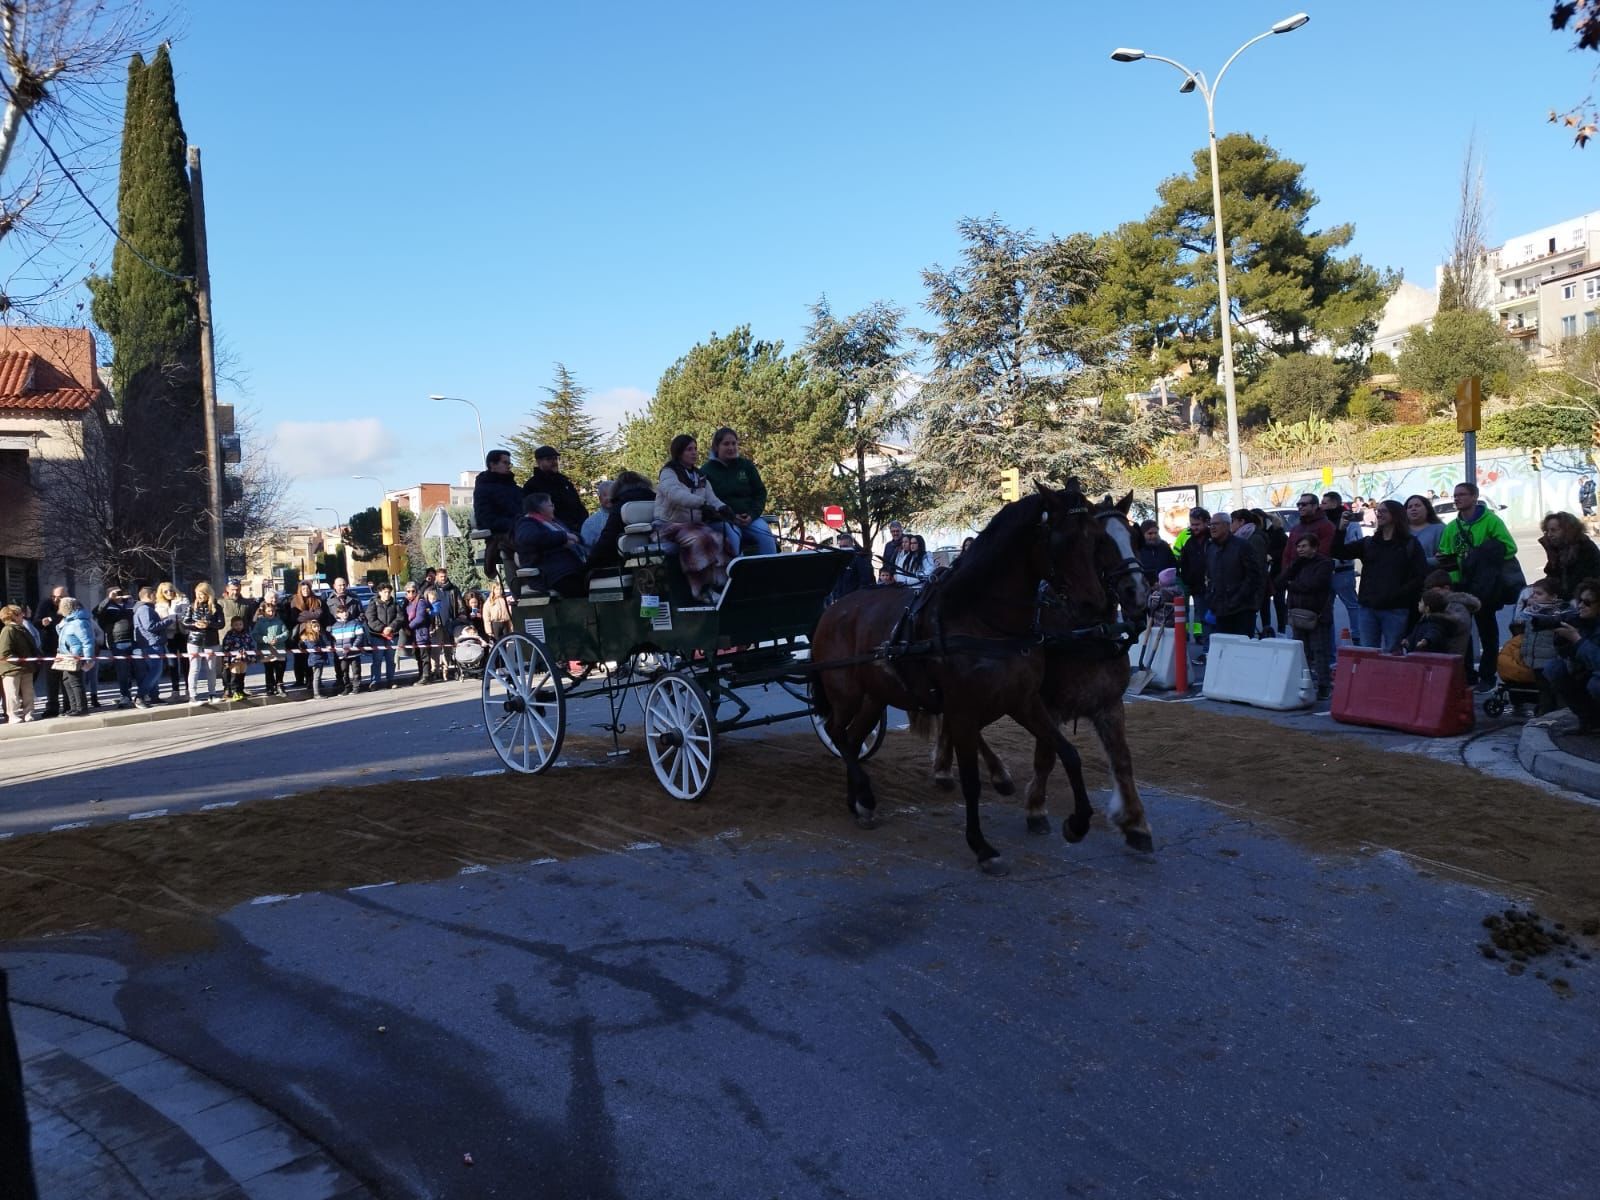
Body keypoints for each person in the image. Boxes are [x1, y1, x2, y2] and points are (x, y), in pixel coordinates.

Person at [1437, 481, 1519, 690]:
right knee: (1459, 630)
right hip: (1460, 586)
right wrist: (1454, 581)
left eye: (1462, 494)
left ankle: (1487, 676)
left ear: (1474, 497)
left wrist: (1481, 558)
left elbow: (1509, 548)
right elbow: (1446, 556)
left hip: (1485, 586)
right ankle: (1467, 675)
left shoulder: (1491, 521)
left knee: (1488, 632)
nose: (1457, 498)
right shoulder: (1451, 528)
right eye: (1455, 495)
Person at [1330, 499, 1427, 652]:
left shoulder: (1409, 544)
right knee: (1368, 653)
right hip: (1368, 607)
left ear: (1395, 515)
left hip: (1396, 609)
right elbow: (1337, 552)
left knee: (1393, 653)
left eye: (1384, 511)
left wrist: (1398, 595)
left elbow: (1420, 575)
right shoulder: (1369, 543)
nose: (1379, 514)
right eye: (1378, 511)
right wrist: (1341, 529)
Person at [654, 434, 735, 604]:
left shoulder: (699, 475)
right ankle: (701, 591)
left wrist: (723, 508)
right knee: (699, 540)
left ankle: (721, 585)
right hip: (668, 525)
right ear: (679, 452)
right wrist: (701, 504)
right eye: (689, 449)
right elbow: (675, 494)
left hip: (693, 525)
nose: (694, 453)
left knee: (720, 538)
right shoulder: (668, 473)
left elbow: (712, 498)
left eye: (695, 449)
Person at [702, 427, 778, 556]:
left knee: (765, 533)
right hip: (722, 521)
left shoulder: (746, 466)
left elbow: (760, 493)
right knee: (733, 535)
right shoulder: (706, 471)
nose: (731, 447)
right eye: (726, 444)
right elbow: (706, 503)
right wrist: (730, 517)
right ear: (716, 447)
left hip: (749, 519)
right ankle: (738, 573)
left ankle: (770, 572)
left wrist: (751, 515)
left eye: (734, 443)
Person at [1282, 533, 1334, 699]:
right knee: (1302, 652)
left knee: (1320, 651)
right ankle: (1305, 683)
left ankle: (1324, 686)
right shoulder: (1298, 564)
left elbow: (1314, 585)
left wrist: (1293, 585)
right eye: (1298, 547)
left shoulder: (1325, 563)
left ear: (1314, 547)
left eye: (1304, 546)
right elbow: (1281, 581)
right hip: (1297, 612)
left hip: (1316, 614)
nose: (1300, 550)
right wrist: (1294, 567)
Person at [1544, 580, 1600, 730]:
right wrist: (1562, 638)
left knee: (1596, 684)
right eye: (1579, 601)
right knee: (1554, 668)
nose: (1581, 605)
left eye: (1587, 602)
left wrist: (1577, 639)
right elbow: (1568, 656)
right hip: (1586, 671)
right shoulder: (1581, 620)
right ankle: (1588, 720)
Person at [515, 492, 587, 598]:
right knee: (578, 588)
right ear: (540, 508)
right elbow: (532, 538)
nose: (553, 507)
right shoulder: (526, 524)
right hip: (550, 573)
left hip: (569, 567)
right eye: (550, 505)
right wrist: (563, 537)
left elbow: (573, 534)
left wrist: (575, 538)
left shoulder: (554, 522)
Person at [1204, 511, 1265, 637]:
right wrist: (1211, 598)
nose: (1212, 527)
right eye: (1210, 525)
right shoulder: (1211, 548)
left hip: (1242, 609)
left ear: (1227, 526)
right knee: (1224, 646)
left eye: (1216, 524)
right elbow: (1210, 576)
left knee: (1242, 649)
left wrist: (1238, 598)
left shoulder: (1242, 546)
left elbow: (1254, 576)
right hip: (1220, 609)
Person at [585, 470, 656, 574]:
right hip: (657, 555)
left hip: (626, 563)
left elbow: (608, 538)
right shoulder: (655, 500)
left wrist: (588, 565)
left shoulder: (621, 505)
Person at [473, 448, 525, 584]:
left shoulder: (516, 489)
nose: (508, 465)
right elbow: (485, 519)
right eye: (505, 462)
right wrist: (515, 523)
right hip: (504, 534)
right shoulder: (483, 490)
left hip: (522, 527)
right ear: (493, 464)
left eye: (509, 463)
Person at [1321, 492, 1363, 645]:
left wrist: (1343, 558)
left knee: (1352, 604)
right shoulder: (1322, 521)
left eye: (1324, 503)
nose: (1321, 506)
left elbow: (1355, 543)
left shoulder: (1349, 521)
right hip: (1325, 570)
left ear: (1333, 503)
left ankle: (1358, 636)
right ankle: (1329, 642)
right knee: (1326, 608)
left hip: (1342, 569)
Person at [522, 445, 588, 530]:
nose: (554, 462)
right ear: (539, 462)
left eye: (555, 458)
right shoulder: (532, 485)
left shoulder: (565, 481)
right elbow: (533, 513)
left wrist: (584, 521)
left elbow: (578, 504)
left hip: (578, 527)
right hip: (555, 529)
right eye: (549, 459)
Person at [1421, 569, 1482, 661]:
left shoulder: (1456, 605)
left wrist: (1435, 617)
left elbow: (1459, 623)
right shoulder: (1442, 604)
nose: (1430, 594)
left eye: (1433, 590)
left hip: (1452, 654)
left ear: (1446, 588)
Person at [1538, 511, 1600, 601]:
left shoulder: (1584, 547)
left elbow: (1583, 580)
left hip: (1585, 600)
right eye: (1547, 531)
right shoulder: (1556, 548)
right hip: (1564, 598)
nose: (1549, 535)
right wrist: (1540, 588)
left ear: (1568, 530)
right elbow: (1552, 575)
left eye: (1553, 530)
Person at [93, 586, 137, 708]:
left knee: (137, 669)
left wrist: (132, 600)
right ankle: (125, 695)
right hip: (118, 641)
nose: (118, 595)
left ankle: (138, 694)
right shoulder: (107, 606)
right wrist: (108, 599)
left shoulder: (129, 604)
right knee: (122, 670)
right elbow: (96, 612)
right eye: (114, 593)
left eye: (120, 592)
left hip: (134, 640)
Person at [131, 587, 173, 708]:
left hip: (150, 643)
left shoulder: (142, 608)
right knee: (156, 671)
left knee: (153, 671)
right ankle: (140, 696)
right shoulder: (144, 609)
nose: (156, 598)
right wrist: (168, 621)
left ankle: (154, 696)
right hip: (152, 643)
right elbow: (150, 626)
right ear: (149, 595)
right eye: (154, 595)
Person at [182, 582, 223, 705]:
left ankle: (212, 693)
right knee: (194, 668)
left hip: (211, 640)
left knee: (211, 668)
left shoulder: (216, 606)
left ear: (208, 594)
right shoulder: (191, 606)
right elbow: (185, 622)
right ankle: (193, 696)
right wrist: (195, 625)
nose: (199, 597)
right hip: (194, 640)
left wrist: (208, 624)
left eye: (202, 594)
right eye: (197, 594)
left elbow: (221, 624)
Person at [52, 597, 94, 717]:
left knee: (75, 682)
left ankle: (81, 707)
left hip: (75, 656)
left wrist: (88, 658)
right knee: (67, 681)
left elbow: (87, 641)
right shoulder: (69, 621)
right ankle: (73, 707)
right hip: (66, 655)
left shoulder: (79, 622)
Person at [0, 606, 38, 723]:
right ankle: (13, 715)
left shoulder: (22, 628)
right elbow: (5, 652)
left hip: (26, 667)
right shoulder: (8, 630)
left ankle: (29, 713)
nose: (23, 616)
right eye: (20, 614)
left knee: (28, 692)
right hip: (12, 669)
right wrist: (19, 660)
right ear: (13, 616)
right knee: (12, 693)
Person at [288, 581, 329, 690]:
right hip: (300, 632)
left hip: (314, 632)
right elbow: (295, 617)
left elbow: (319, 614)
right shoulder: (294, 600)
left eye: (307, 589)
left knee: (313, 656)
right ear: (299, 590)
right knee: (299, 657)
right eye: (303, 589)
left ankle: (313, 680)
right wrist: (311, 614)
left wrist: (304, 614)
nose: (305, 591)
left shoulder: (316, 599)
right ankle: (299, 680)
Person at [327, 578, 364, 693]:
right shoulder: (329, 601)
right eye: (339, 585)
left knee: (355, 666)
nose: (342, 587)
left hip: (352, 635)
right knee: (341, 665)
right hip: (338, 635)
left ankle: (356, 686)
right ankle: (342, 683)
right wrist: (330, 628)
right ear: (334, 586)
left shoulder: (354, 598)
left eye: (344, 585)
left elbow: (362, 614)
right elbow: (326, 618)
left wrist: (355, 622)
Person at [363, 583, 404, 689]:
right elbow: (370, 619)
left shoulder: (395, 604)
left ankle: (391, 680)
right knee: (377, 659)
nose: (387, 594)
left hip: (392, 636)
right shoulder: (373, 604)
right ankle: (375, 681)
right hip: (377, 636)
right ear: (380, 592)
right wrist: (382, 628)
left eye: (389, 592)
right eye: (385, 592)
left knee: (391, 660)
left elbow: (400, 618)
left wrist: (391, 627)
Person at [34, 584, 65, 718]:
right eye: (54, 596)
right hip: (50, 647)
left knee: (66, 680)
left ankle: (69, 705)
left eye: (60, 597)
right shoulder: (45, 604)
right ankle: (52, 707)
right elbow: (36, 622)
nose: (56, 599)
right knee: (51, 680)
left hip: (66, 648)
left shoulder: (70, 604)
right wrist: (42, 623)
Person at [1255, 508, 1288, 634]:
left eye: (1257, 518)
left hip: (1277, 572)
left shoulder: (1277, 532)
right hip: (1263, 574)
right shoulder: (1254, 534)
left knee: (1279, 602)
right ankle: (1266, 629)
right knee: (1264, 604)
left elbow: (1285, 550)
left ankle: (1281, 630)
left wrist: (1271, 556)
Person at [155, 581, 188, 701]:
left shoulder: (182, 599)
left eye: (171, 590)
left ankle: (189, 690)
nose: (169, 593)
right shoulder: (159, 605)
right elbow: (160, 620)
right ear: (161, 593)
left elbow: (186, 615)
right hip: (169, 636)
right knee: (172, 664)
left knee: (186, 663)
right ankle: (175, 691)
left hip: (183, 634)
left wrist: (175, 614)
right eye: (166, 591)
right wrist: (169, 619)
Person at [252, 598, 289, 697]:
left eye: (272, 611)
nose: (271, 613)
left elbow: (286, 633)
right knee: (269, 669)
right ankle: (269, 686)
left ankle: (279, 684)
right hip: (266, 650)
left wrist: (278, 638)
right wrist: (265, 639)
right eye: (268, 611)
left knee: (280, 668)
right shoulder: (260, 623)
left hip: (279, 648)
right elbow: (255, 635)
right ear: (264, 612)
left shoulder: (279, 621)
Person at [827, 532, 876, 604]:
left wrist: (856, 598)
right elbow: (837, 581)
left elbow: (865, 581)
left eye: (845, 546)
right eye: (841, 547)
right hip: (841, 600)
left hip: (855, 602)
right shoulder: (840, 560)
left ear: (852, 545)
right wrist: (836, 596)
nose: (843, 549)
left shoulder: (860, 559)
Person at [294, 617, 335, 698]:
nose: (317, 628)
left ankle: (318, 692)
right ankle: (316, 694)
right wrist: (319, 648)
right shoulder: (309, 637)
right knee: (316, 676)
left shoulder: (319, 635)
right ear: (310, 627)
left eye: (318, 626)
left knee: (318, 676)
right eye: (315, 626)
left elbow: (326, 642)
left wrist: (328, 644)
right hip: (315, 659)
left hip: (321, 658)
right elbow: (312, 646)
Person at [1405, 494, 1446, 569]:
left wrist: (1418, 562)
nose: (1413, 509)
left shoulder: (1440, 529)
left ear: (1427, 509)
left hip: (1431, 576)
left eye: (1417, 505)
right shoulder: (1401, 531)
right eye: (1410, 507)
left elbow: (1443, 557)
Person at [221, 616, 254, 701]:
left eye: (240, 624)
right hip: (233, 659)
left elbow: (250, 644)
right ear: (232, 625)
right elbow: (226, 647)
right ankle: (234, 691)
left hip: (244, 658)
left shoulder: (246, 634)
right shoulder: (230, 635)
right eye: (236, 625)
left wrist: (251, 656)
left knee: (242, 674)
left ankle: (241, 690)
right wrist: (234, 655)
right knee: (235, 673)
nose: (238, 626)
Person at [1135, 520, 1178, 585]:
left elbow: (1173, 566)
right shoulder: (1137, 548)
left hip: (1165, 588)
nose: (1154, 536)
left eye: (1156, 533)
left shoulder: (1164, 546)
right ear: (1143, 534)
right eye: (1150, 533)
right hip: (1145, 588)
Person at [579, 479, 614, 557]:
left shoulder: (626, 516)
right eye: (605, 495)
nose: (609, 498)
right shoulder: (590, 523)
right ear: (600, 499)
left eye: (612, 495)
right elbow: (586, 550)